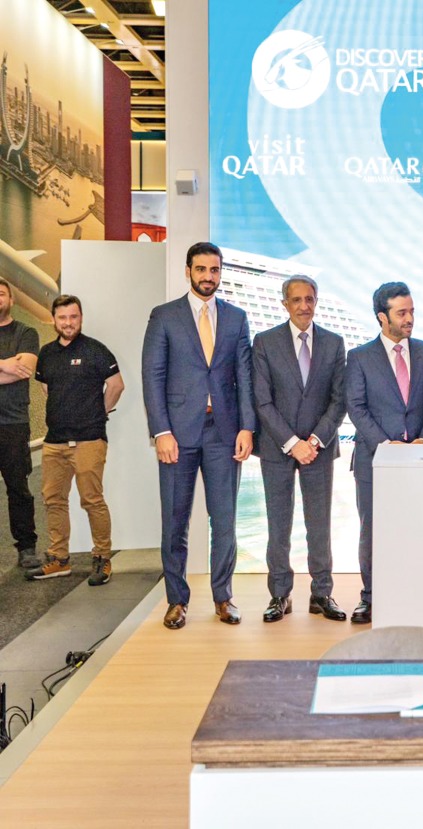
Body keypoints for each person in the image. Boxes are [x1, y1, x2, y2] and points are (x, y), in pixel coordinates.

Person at [142, 242, 256, 630]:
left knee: (224, 521)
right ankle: (176, 600)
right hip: (178, 434)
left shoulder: (237, 318)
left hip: (224, 434)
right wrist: (161, 431)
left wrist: (247, 426)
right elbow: (152, 377)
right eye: (202, 269)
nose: (209, 276)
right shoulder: (164, 316)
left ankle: (223, 597)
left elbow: (245, 377)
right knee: (175, 520)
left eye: (215, 269)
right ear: (188, 271)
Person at [345, 282, 423, 624]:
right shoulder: (358, 358)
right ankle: (370, 598)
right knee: (372, 532)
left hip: (420, 459)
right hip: (374, 461)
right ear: (381, 317)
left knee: (418, 531)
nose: (409, 319)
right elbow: (356, 408)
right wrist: (388, 445)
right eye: (402, 313)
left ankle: (414, 597)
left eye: (412, 311)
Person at [251, 276, 347, 624]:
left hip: (319, 449)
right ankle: (279, 595)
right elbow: (261, 400)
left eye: (310, 299)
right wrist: (293, 444)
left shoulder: (335, 343)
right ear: (284, 304)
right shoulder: (264, 342)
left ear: (316, 301)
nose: (304, 306)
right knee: (278, 524)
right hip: (278, 449)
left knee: (319, 524)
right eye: (296, 300)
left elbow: (339, 400)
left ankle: (322, 593)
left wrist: (315, 441)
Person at [25, 295, 123, 585]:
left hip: (89, 440)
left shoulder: (96, 350)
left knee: (92, 500)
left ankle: (102, 558)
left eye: (73, 317)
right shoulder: (46, 354)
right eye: (63, 317)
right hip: (54, 442)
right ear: (54, 319)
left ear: (81, 317)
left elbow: (117, 386)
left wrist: (97, 412)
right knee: (53, 499)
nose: (68, 323)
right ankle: (59, 559)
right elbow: (46, 388)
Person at [0, 278, 40, 571]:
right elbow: (12, 369)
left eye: (2, 293)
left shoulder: (26, 332)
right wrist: (5, 364)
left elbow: (24, 369)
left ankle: (26, 546)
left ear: (11, 300)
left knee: (18, 487)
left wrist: (15, 367)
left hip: (13, 422)